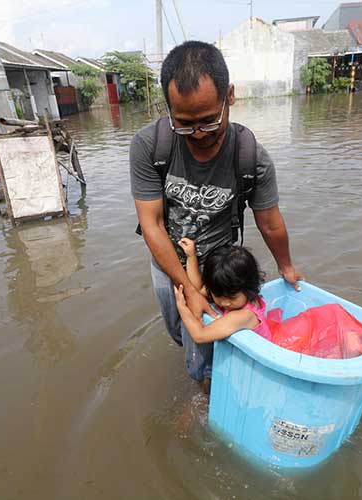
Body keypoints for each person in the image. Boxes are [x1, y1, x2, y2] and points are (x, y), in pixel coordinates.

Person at [130, 40, 303, 383]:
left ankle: (210, 387)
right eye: (185, 124)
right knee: (181, 330)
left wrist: (286, 266)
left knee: (223, 334)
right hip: (168, 263)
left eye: (209, 121)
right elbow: (152, 225)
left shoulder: (250, 156)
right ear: (167, 110)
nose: (198, 134)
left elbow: (269, 223)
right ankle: (201, 374)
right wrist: (190, 289)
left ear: (230, 97)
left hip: (221, 269)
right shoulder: (150, 146)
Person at [173, 238, 272, 344]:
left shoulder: (244, 315)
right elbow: (199, 290)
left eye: (232, 297)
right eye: (218, 295)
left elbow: (200, 336)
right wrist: (191, 256)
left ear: (249, 287)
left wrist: (182, 308)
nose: (225, 303)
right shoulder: (235, 290)